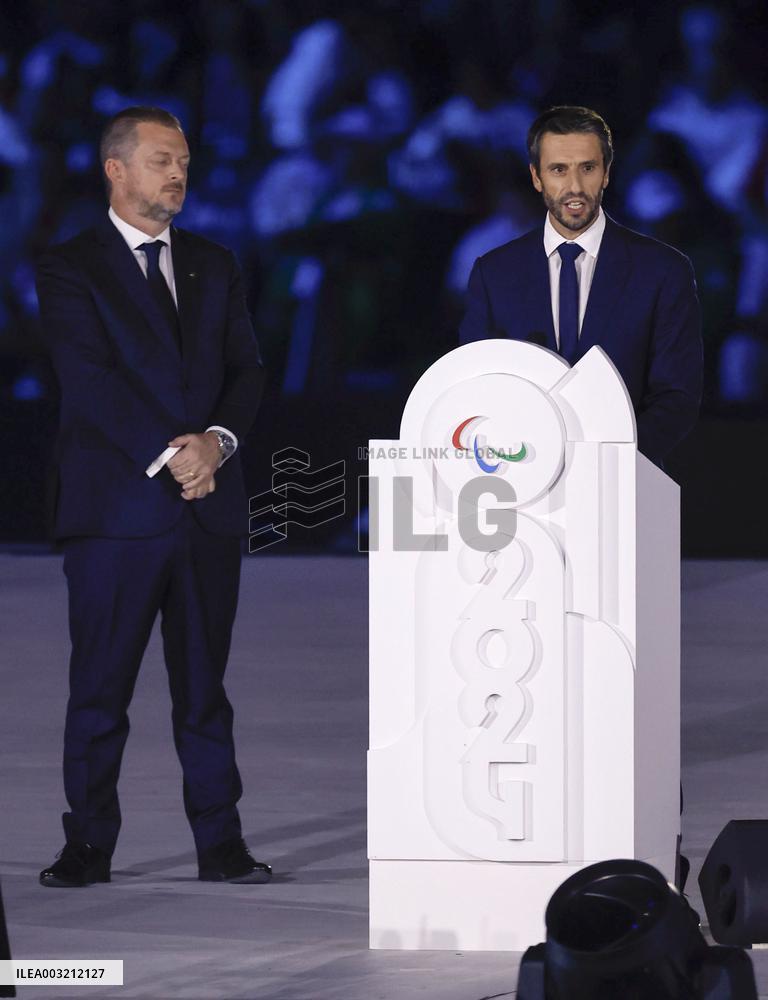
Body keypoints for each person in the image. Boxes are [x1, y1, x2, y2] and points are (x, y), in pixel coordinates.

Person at [36, 106, 271, 887]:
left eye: (184, 161)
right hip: (114, 516)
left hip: (207, 510)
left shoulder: (214, 260)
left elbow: (248, 371)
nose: (179, 173)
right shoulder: (71, 266)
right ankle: (89, 847)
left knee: (206, 691)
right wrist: (174, 454)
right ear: (117, 169)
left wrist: (217, 444)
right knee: (99, 691)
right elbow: (89, 380)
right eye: (162, 159)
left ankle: (222, 844)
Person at [459, 105, 703, 466]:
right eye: (558, 169)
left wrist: (607, 463)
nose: (574, 187)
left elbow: (676, 396)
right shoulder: (494, 273)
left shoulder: (664, 270)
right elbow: (476, 387)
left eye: (587, 168)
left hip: (626, 485)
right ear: (536, 177)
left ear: (605, 174)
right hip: (519, 488)